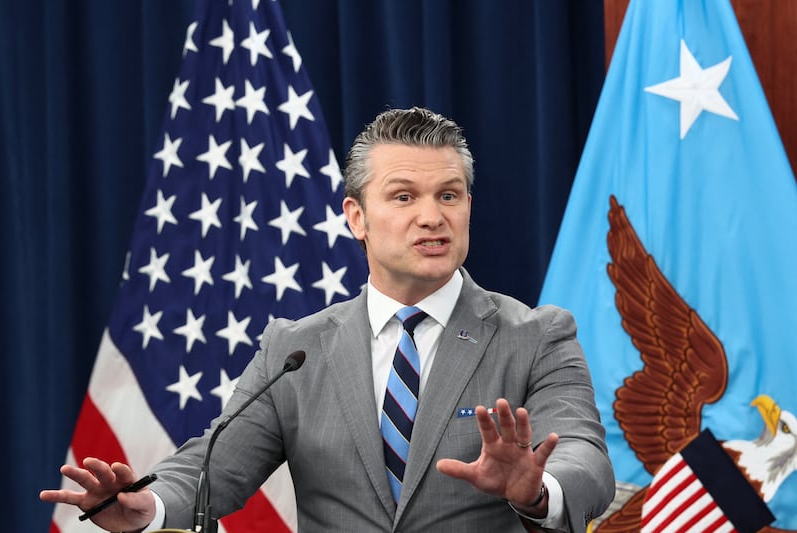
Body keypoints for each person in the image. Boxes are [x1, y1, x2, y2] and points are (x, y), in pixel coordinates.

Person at [41, 107, 614, 532]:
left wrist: (539, 491)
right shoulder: (295, 349)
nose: (431, 217)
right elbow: (213, 466)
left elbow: (587, 458)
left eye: (449, 195)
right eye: (404, 196)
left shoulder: (537, 335)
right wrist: (150, 504)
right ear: (356, 217)